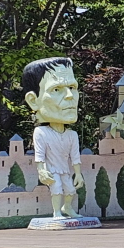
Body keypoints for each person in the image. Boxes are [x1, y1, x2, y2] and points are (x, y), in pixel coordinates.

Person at [22, 57, 84, 219]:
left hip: (65, 169)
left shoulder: (72, 135)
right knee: (56, 190)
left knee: (70, 190)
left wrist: (78, 173)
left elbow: (75, 157)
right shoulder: (41, 133)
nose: (70, 96)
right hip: (53, 170)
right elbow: (40, 155)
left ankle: (67, 208)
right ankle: (56, 212)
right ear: (33, 101)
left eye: (72, 87)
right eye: (57, 90)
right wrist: (41, 171)